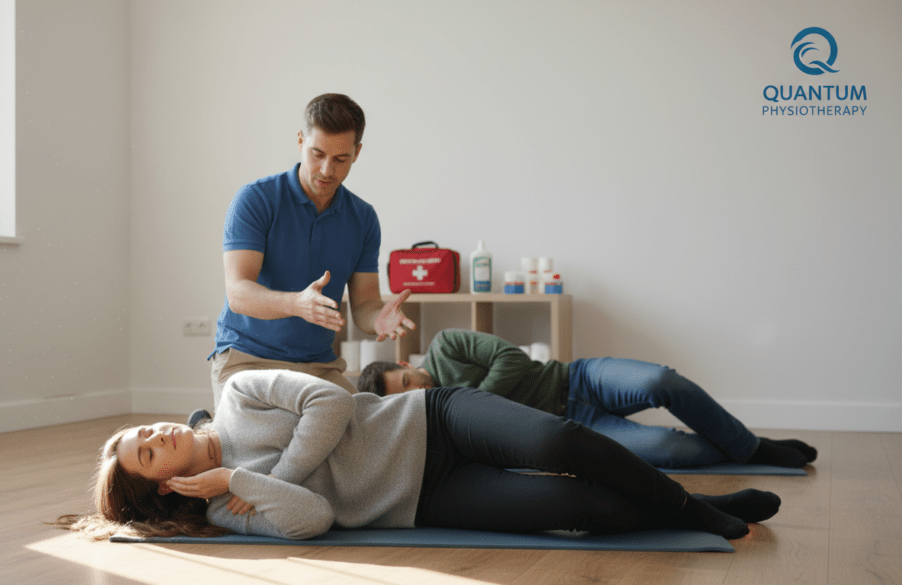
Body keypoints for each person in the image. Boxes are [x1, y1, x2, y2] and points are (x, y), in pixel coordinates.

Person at [56, 369, 783, 542]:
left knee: (565, 442)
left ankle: (696, 508)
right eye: (148, 455)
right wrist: (235, 479)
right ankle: (694, 507)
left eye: (144, 433)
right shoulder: (224, 501)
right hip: (420, 499)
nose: (156, 437)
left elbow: (333, 402)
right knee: (575, 507)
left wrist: (267, 475)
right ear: (166, 484)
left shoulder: (240, 389)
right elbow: (313, 520)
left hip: (434, 419)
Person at [357, 329, 818, 469]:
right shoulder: (438, 416)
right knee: (669, 450)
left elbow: (512, 358)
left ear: (404, 365)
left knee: (662, 381)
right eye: (407, 398)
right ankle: (738, 448)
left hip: (577, 379)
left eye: (407, 383)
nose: (419, 391)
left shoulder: (446, 344)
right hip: (575, 427)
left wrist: (472, 397)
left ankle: (753, 447)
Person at [211, 93, 414, 396]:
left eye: (340, 159)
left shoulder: (363, 218)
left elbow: (364, 306)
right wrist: (296, 304)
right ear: (300, 141)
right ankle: (204, 423)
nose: (326, 170)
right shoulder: (256, 199)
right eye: (317, 154)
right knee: (263, 440)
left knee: (362, 435)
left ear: (357, 153)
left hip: (316, 366)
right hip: (247, 358)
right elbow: (238, 293)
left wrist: (378, 318)